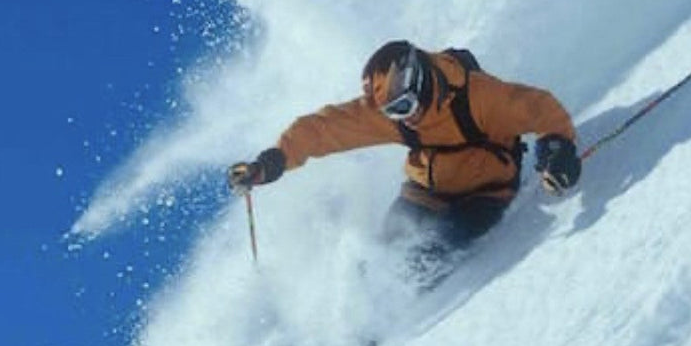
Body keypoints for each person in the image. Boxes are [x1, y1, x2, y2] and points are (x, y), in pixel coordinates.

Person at [227, 40, 581, 284]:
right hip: (424, 192)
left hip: (484, 192)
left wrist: (557, 149)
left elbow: (540, 108)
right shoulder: (393, 116)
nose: (402, 119)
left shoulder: (478, 97)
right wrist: (269, 163)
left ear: (422, 83)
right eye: (391, 113)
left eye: (402, 108)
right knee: (378, 256)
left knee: (435, 248)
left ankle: (386, 318)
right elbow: (321, 130)